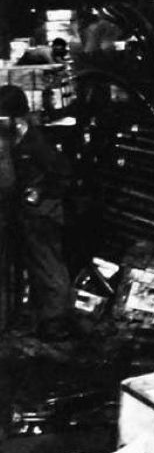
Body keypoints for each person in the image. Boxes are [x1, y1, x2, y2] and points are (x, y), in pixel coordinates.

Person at [0, 85, 73, 340]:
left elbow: (64, 174)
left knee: (49, 267)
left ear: (16, 118)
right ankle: (44, 319)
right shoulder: (15, 142)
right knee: (36, 269)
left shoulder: (37, 142)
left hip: (44, 214)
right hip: (27, 216)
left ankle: (57, 323)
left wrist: (39, 191)